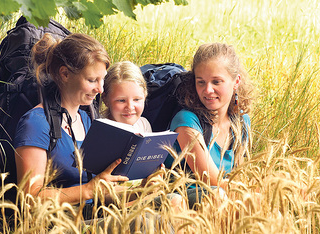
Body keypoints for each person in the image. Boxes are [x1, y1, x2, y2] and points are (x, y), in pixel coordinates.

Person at [13, 33, 129, 216]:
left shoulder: (87, 119)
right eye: (92, 80)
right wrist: (89, 190)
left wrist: (143, 189)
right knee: (148, 220)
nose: (100, 89)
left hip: (93, 214)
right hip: (61, 223)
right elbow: (30, 198)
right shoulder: (36, 123)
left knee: (171, 200)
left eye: (102, 79)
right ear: (65, 74)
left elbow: (101, 190)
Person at [165, 42, 254, 208]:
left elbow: (238, 175)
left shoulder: (242, 122)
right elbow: (211, 180)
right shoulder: (186, 121)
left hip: (225, 197)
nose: (207, 90)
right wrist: (262, 193)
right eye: (201, 82)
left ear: (236, 82)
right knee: (218, 196)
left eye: (216, 82)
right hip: (181, 198)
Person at [101, 61, 185, 209]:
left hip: (143, 194)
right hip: (115, 204)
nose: (130, 107)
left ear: (145, 96)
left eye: (137, 99)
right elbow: (100, 191)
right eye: (121, 100)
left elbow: (151, 169)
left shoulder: (144, 124)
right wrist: (140, 190)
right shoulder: (102, 130)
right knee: (173, 201)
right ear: (105, 99)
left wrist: (156, 177)